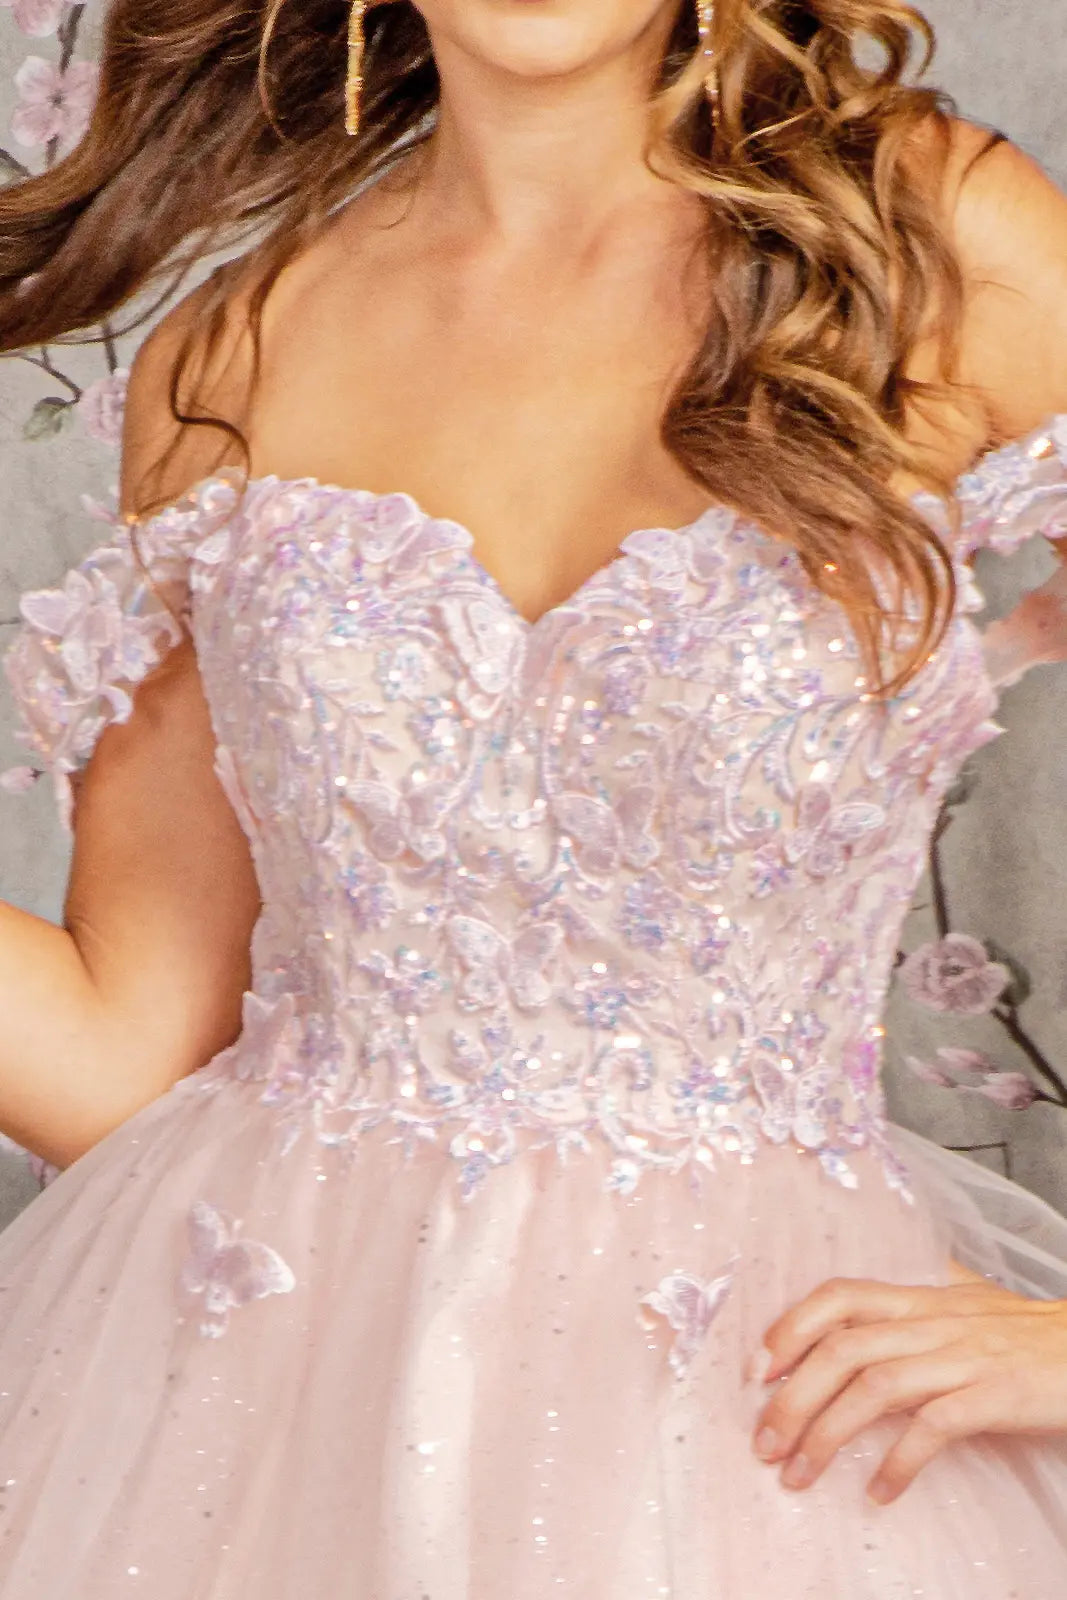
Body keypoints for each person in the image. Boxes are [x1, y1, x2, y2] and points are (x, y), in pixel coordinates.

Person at [1, 0, 1067, 1592]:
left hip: (763, 1424)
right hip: (277, 1404)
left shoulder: (932, 237)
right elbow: (127, 1051)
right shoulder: (232, 353)